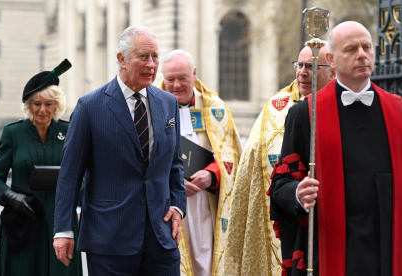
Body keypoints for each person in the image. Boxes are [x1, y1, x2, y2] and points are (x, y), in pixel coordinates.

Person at [270, 21, 402, 276]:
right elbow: (280, 183)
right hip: (329, 249)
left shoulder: (397, 110)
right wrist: (298, 192)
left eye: (366, 47)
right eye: (351, 49)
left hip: (387, 248)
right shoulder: (305, 113)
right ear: (330, 59)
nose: (362, 55)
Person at [53, 25, 186, 276]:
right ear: (121, 59)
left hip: (161, 238)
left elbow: (175, 163)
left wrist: (178, 206)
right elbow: (70, 175)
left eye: (155, 56)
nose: (151, 64)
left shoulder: (168, 104)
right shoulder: (89, 107)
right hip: (109, 239)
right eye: (143, 56)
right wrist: (63, 230)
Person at [224, 44, 335, 275]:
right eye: (300, 65)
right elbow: (251, 164)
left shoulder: (340, 107)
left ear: (332, 70)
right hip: (279, 216)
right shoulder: (275, 107)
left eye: (311, 67)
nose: (302, 72)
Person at [0, 59, 83, 276]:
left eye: (48, 104)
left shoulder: (69, 131)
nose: (42, 109)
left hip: (60, 219)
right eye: (36, 103)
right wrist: (10, 197)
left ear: (56, 105)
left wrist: (76, 190)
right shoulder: (13, 133)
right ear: (28, 105)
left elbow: (83, 173)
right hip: (22, 219)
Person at [160, 49, 242, 276]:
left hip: (207, 204)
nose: (176, 85)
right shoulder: (152, 108)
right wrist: (173, 183)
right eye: (170, 79)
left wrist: (213, 174)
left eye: (182, 78)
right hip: (168, 203)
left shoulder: (215, 107)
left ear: (194, 74)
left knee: (207, 261)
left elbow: (232, 154)